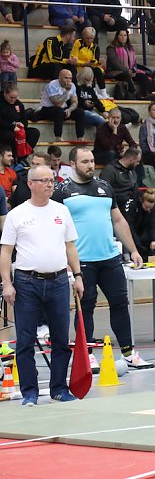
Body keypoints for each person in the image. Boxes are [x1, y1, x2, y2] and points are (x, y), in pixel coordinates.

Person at [52, 146, 153, 372]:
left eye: (92, 161)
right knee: (85, 307)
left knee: (119, 304)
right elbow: (54, 227)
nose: (90, 165)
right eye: (85, 161)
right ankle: (86, 355)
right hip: (82, 262)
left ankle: (128, 353)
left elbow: (118, 221)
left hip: (110, 259)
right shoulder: (62, 191)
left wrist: (134, 250)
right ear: (73, 164)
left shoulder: (105, 187)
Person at [1, 164, 84, 405]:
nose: (50, 184)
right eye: (44, 180)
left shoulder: (62, 211)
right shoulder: (17, 214)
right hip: (27, 283)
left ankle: (59, 388)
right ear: (30, 184)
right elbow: (6, 252)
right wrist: (7, 283)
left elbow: (70, 246)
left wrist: (78, 276)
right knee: (25, 341)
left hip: (58, 281)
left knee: (60, 339)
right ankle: (30, 392)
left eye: (51, 180)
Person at [34, 69, 86, 141]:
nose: (68, 80)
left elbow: (75, 102)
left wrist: (70, 109)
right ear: (60, 78)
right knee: (59, 110)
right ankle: (58, 137)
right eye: (66, 78)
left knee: (80, 112)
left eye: (70, 78)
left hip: (61, 110)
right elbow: (57, 103)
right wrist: (66, 91)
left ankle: (80, 137)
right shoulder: (52, 85)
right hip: (47, 109)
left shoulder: (72, 86)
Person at [106, 29, 155, 97]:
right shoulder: (111, 48)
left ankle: (145, 95)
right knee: (126, 75)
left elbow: (134, 63)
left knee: (143, 76)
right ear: (117, 37)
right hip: (116, 72)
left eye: (125, 35)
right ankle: (133, 93)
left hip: (129, 71)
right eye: (121, 35)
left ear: (127, 37)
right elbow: (115, 63)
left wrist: (133, 71)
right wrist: (127, 71)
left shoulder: (130, 48)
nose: (123, 37)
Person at [99, 146, 142, 225]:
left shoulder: (132, 172)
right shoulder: (110, 170)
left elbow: (136, 190)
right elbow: (104, 191)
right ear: (131, 159)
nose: (138, 164)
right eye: (137, 161)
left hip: (132, 204)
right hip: (118, 206)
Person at [0, 83, 39, 159]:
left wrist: (22, 124)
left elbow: (24, 119)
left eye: (15, 97)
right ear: (5, 93)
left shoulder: (18, 104)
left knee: (34, 133)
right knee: (10, 136)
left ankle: (22, 157)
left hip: (17, 129)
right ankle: (12, 158)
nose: (13, 100)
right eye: (11, 97)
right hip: (3, 129)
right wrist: (11, 127)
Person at [71, 27, 108, 98]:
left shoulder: (95, 46)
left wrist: (99, 62)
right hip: (79, 67)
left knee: (97, 70)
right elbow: (74, 59)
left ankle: (104, 93)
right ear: (83, 37)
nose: (89, 40)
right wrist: (84, 63)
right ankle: (93, 92)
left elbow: (95, 61)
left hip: (90, 66)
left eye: (91, 38)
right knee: (90, 70)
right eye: (87, 38)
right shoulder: (78, 43)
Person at [133, 188, 155, 260]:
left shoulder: (152, 210)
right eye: (146, 207)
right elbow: (130, 228)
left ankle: (152, 257)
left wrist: (154, 240)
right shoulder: (134, 207)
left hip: (146, 233)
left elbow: (153, 225)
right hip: (134, 234)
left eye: (150, 208)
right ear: (142, 201)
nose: (148, 209)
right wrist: (139, 245)